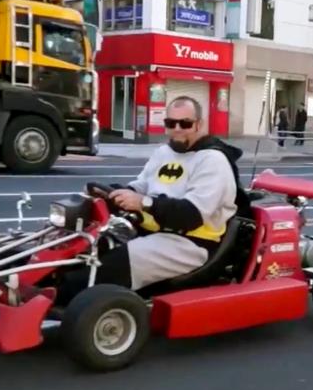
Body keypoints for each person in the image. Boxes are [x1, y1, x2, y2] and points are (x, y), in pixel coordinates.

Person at [56, 96, 243, 304]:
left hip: (190, 243)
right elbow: (140, 187)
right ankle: (41, 282)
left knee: (106, 267)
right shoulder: (164, 152)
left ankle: (58, 300)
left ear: (199, 124)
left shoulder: (213, 160)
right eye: (171, 123)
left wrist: (144, 203)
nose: (177, 129)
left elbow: (192, 215)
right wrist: (112, 194)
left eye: (185, 123)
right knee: (83, 247)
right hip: (151, 232)